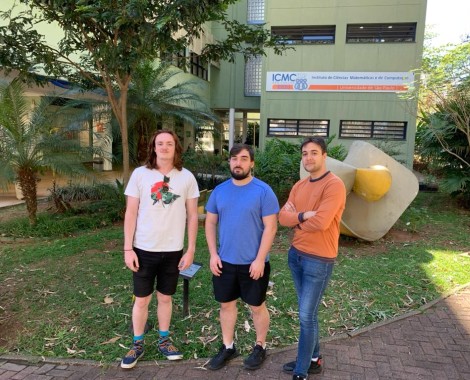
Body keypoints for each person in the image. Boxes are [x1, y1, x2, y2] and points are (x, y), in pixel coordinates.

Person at [121, 130, 199, 369]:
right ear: (153, 148)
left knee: (165, 298)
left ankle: (164, 341)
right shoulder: (140, 175)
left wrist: (191, 250)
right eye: (160, 143)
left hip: (173, 251)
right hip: (143, 249)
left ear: (176, 148)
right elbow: (131, 213)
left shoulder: (186, 177)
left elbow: (193, 216)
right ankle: (137, 343)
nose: (164, 147)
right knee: (142, 300)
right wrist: (127, 249)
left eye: (169, 143)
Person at [205, 143, 279, 371]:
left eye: (244, 158)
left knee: (256, 307)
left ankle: (260, 346)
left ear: (252, 163)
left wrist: (260, 259)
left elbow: (271, 227)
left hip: (253, 264)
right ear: (229, 162)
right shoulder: (219, 191)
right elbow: (209, 222)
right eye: (234, 158)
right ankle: (228, 347)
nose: (238, 163)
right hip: (224, 262)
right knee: (226, 306)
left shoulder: (263, 191)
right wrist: (212, 254)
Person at [278, 137, 346, 380]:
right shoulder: (299, 186)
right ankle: (314, 359)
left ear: (324, 155)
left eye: (314, 152)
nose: (309, 157)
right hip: (296, 256)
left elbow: (321, 223)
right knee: (309, 313)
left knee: (306, 315)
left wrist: (296, 220)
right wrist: (304, 215)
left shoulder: (334, 185)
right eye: (305, 153)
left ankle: (301, 370)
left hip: (319, 260)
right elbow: (281, 217)